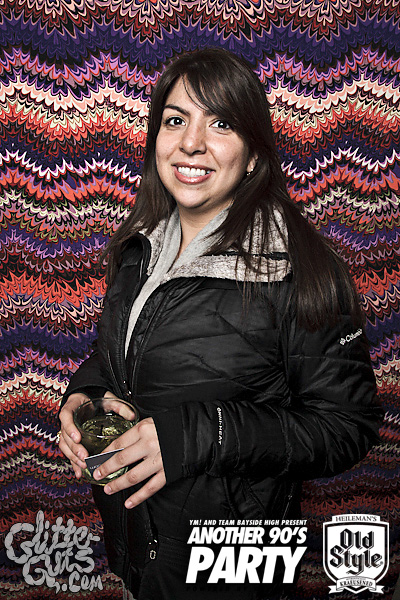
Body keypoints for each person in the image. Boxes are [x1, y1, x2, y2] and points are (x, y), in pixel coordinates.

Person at [58, 48, 382, 600]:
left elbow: (347, 427)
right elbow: (123, 353)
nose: (191, 143)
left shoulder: (301, 268)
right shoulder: (140, 247)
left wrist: (197, 436)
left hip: (232, 572)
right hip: (140, 554)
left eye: (222, 123)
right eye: (176, 120)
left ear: (253, 154)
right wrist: (84, 394)